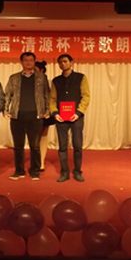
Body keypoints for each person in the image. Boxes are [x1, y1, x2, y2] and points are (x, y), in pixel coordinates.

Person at [4, 52, 50, 181]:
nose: (28, 62)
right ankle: (19, 171)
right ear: (21, 62)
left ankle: (35, 171)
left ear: (34, 62)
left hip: (36, 116)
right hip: (17, 116)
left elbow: (47, 95)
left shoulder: (42, 77)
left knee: (35, 146)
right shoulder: (14, 78)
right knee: (18, 146)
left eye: (31, 60)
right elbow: (7, 95)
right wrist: (5, 110)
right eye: (26, 60)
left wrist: (47, 110)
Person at [49, 54, 90, 182]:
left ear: (71, 62)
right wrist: (55, 113)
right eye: (60, 62)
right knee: (62, 146)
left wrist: (78, 113)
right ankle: (64, 172)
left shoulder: (81, 78)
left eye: (65, 61)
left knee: (77, 145)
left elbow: (86, 96)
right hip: (60, 118)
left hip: (76, 117)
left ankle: (77, 171)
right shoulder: (56, 81)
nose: (63, 64)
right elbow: (52, 99)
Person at [35, 60, 55, 172]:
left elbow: (52, 98)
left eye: (35, 69)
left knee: (43, 136)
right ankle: (35, 160)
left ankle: (41, 162)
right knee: (34, 137)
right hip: (32, 112)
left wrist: (48, 111)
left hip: (45, 112)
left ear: (42, 70)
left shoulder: (49, 82)